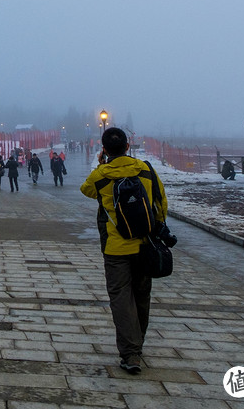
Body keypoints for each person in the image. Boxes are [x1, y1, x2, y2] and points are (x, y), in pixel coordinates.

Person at [80, 127, 168, 375]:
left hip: (116, 247)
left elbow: (86, 191)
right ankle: (136, 343)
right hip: (143, 244)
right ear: (128, 147)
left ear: (105, 149)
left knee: (121, 298)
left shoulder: (101, 175)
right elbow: (161, 203)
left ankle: (131, 352)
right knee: (141, 294)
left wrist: (102, 165)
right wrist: (155, 228)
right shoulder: (146, 170)